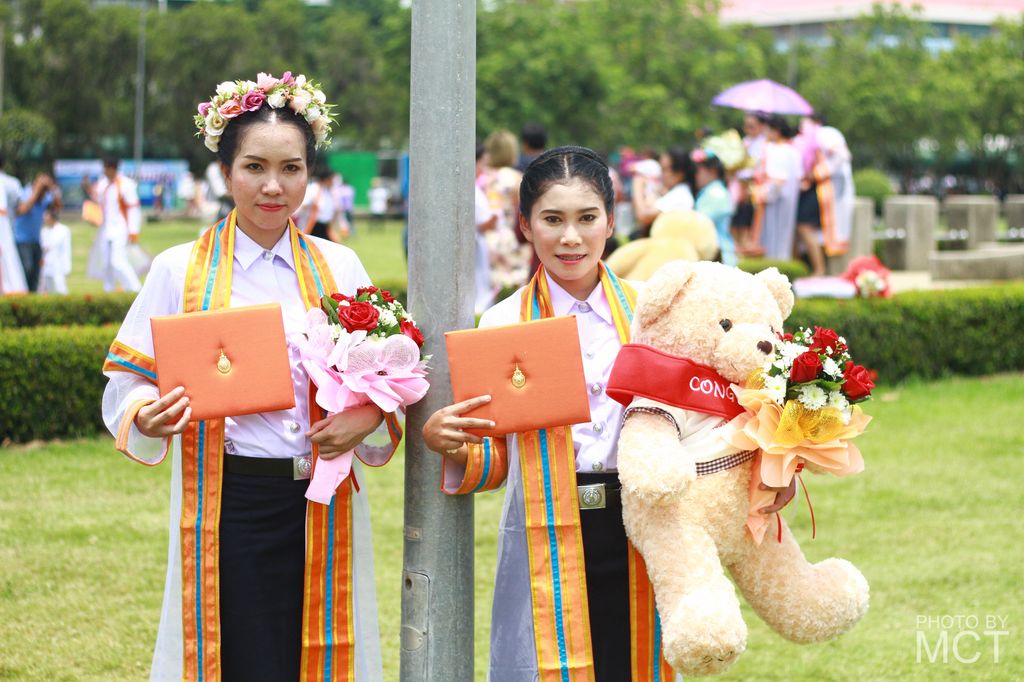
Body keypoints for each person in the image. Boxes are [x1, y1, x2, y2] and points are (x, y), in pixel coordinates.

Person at [422, 146, 795, 681]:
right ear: (525, 225)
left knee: (637, 663)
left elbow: (717, 410)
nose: (570, 237)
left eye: (586, 218)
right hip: (547, 527)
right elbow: (499, 455)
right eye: (552, 219)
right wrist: (455, 443)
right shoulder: (502, 323)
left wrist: (773, 468)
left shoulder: (656, 313)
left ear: (611, 222)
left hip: (648, 519)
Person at [101, 72, 402, 681]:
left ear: (309, 174)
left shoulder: (339, 266)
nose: (273, 186)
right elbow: (128, 381)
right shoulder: (178, 270)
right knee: (236, 656)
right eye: (254, 167)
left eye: (291, 168)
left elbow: (390, 375)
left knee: (316, 652)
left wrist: (367, 415)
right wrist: (146, 413)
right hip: (228, 502)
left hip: (320, 498)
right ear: (224, 172)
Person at [480, 129, 532, 290]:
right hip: (509, 236)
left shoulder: (481, 177)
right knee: (514, 286)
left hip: (483, 235)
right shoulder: (516, 178)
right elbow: (521, 209)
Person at [86, 157, 143, 293]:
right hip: (105, 228)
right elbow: (97, 200)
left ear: (113, 168)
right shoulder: (103, 184)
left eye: (106, 168)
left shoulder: (126, 184)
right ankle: (109, 290)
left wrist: (133, 231)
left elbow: (133, 209)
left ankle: (135, 288)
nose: (104, 171)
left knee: (118, 261)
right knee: (106, 263)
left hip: (120, 227)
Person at [751, 115, 801, 261]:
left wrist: (763, 193)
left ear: (776, 131)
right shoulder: (793, 151)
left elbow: (778, 179)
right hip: (788, 199)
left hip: (773, 197)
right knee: (784, 235)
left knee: (771, 235)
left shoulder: (774, 150)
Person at [631, 147, 696, 237]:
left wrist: (637, 184)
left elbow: (643, 216)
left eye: (664, 169)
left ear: (679, 174)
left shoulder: (681, 195)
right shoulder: (679, 192)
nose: (660, 174)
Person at [14, 171, 61, 292]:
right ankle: (22, 294)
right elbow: (23, 209)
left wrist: (53, 188)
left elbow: (58, 206)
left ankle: (32, 296)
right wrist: (38, 189)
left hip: (36, 240)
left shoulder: (44, 197)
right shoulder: (25, 193)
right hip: (21, 240)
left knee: (36, 272)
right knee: (26, 269)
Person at [692, 148, 737, 266]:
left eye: (697, 171)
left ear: (712, 171)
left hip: (720, 257)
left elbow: (700, 222)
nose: (694, 176)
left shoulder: (716, 193)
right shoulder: (711, 191)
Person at [299, 164, 340, 242]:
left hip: (325, 226)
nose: (333, 182)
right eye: (332, 179)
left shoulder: (328, 191)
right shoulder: (313, 189)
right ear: (326, 179)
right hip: (313, 226)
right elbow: (303, 206)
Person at [39, 206, 71, 294]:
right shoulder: (44, 231)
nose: (44, 218)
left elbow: (66, 250)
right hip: (46, 265)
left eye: (46, 215)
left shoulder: (63, 230)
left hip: (58, 265)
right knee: (44, 289)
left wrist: (66, 268)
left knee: (60, 288)